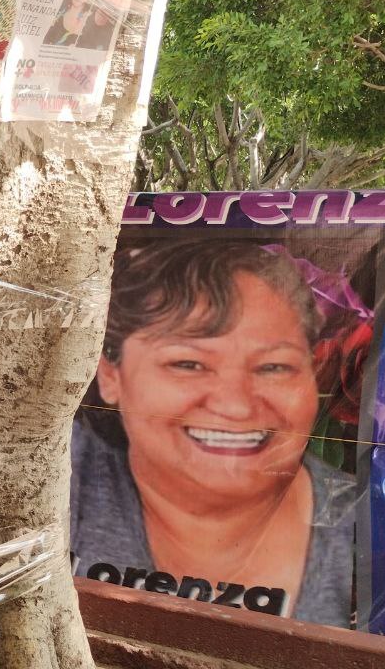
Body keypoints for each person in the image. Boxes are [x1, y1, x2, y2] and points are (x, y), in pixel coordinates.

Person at [70, 239, 355, 627]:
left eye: (274, 367)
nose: (235, 406)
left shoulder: (369, 526)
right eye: (188, 364)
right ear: (110, 375)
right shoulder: (55, 480)